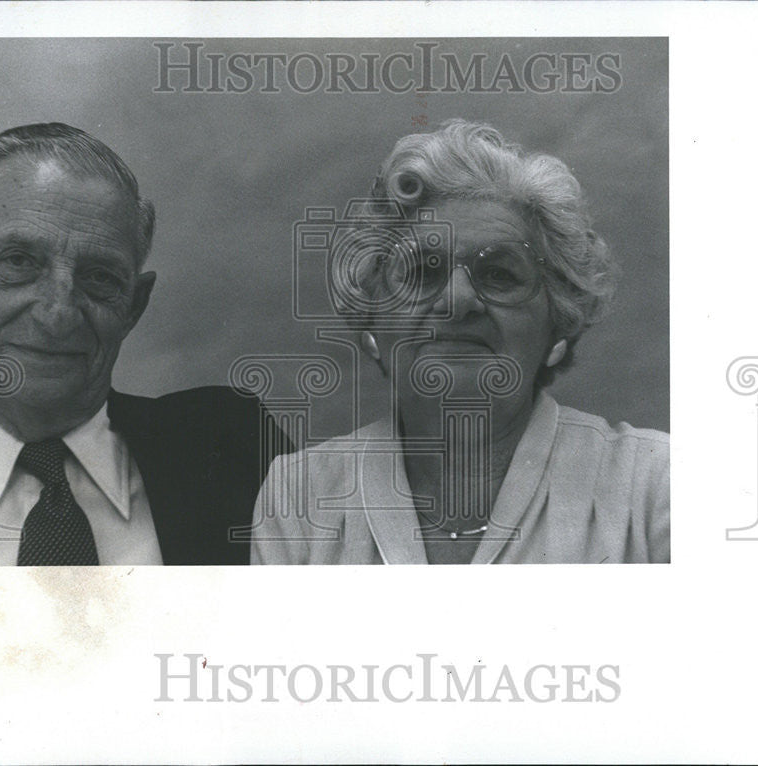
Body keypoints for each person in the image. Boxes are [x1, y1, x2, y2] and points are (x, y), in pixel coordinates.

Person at [251, 119, 668, 565]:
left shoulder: (654, 482)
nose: (458, 300)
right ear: (373, 317)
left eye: (500, 274)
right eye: (423, 272)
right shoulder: (300, 494)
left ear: (559, 318)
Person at [0, 123, 290, 566]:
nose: (58, 315)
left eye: (99, 277)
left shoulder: (232, 447)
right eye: (18, 262)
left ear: (134, 305)